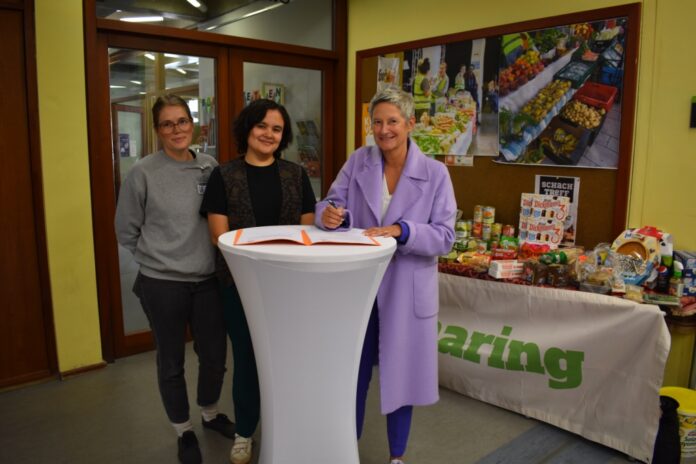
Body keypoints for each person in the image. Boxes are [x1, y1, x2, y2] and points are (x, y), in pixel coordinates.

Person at [316, 87, 456, 464]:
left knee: (401, 376)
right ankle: (345, 450)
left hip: (406, 290)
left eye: (392, 121)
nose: (383, 130)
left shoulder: (435, 174)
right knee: (353, 374)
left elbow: (445, 236)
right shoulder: (358, 161)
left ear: (410, 124)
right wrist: (329, 214)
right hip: (360, 287)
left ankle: (397, 456)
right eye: (376, 122)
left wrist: (403, 231)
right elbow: (331, 202)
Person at [115, 94, 235, 464]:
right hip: (162, 283)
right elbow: (125, 229)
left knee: (214, 356)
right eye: (167, 124)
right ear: (157, 130)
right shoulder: (143, 173)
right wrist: (157, 260)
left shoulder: (210, 167)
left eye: (182, 121)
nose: (176, 129)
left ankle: (210, 413)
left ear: (192, 124)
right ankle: (183, 430)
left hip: (207, 281)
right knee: (171, 362)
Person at [200, 98, 316, 464]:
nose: (269, 134)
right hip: (240, 286)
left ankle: (288, 426)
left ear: (284, 136)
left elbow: (307, 230)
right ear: (247, 129)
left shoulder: (296, 175)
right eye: (262, 125)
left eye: (277, 129)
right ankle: (245, 431)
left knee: (290, 357)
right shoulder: (223, 176)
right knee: (247, 359)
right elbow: (218, 235)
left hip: (288, 285)